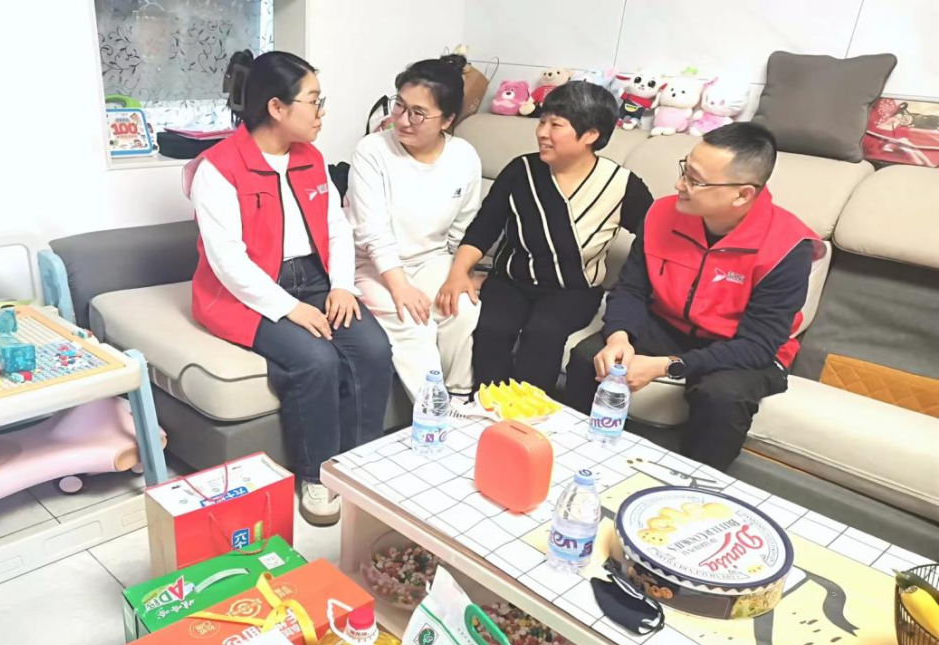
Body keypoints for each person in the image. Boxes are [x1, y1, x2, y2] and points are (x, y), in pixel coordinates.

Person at [186, 51, 392, 526]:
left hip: (315, 279)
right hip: (244, 293)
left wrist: (342, 287)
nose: (322, 113)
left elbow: (336, 227)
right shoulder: (217, 169)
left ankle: (360, 465)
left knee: (372, 348)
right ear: (277, 107)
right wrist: (289, 309)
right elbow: (227, 262)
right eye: (314, 101)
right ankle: (317, 475)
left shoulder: (310, 158)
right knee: (316, 359)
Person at [564, 122, 819, 471]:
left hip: (742, 348)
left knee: (721, 396)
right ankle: (574, 462)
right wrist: (619, 336)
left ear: (742, 194)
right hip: (668, 327)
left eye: (695, 180)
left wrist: (666, 365)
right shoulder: (661, 214)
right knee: (590, 358)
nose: (679, 185)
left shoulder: (787, 247)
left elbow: (758, 344)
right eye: (685, 169)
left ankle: (693, 488)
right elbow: (632, 289)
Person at [437, 81, 653, 393]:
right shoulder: (520, 170)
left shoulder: (621, 185)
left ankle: (530, 413)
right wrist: (459, 272)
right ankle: (487, 407)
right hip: (511, 282)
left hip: (573, 291)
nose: (542, 132)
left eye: (556, 125)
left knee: (544, 334)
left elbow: (653, 238)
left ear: (591, 135)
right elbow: (484, 228)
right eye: (542, 122)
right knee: (493, 329)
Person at [347, 55, 483, 398]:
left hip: (432, 259)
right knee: (414, 322)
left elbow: (464, 226)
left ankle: (460, 398)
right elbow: (372, 232)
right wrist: (400, 288)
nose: (403, 120)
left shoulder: (464, 156)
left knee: (463, 309)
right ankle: (433, 411)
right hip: (372, 265)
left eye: (418, 113)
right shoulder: (372, 151)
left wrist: (460, 274)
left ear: (447, 120)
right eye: (400, 106)